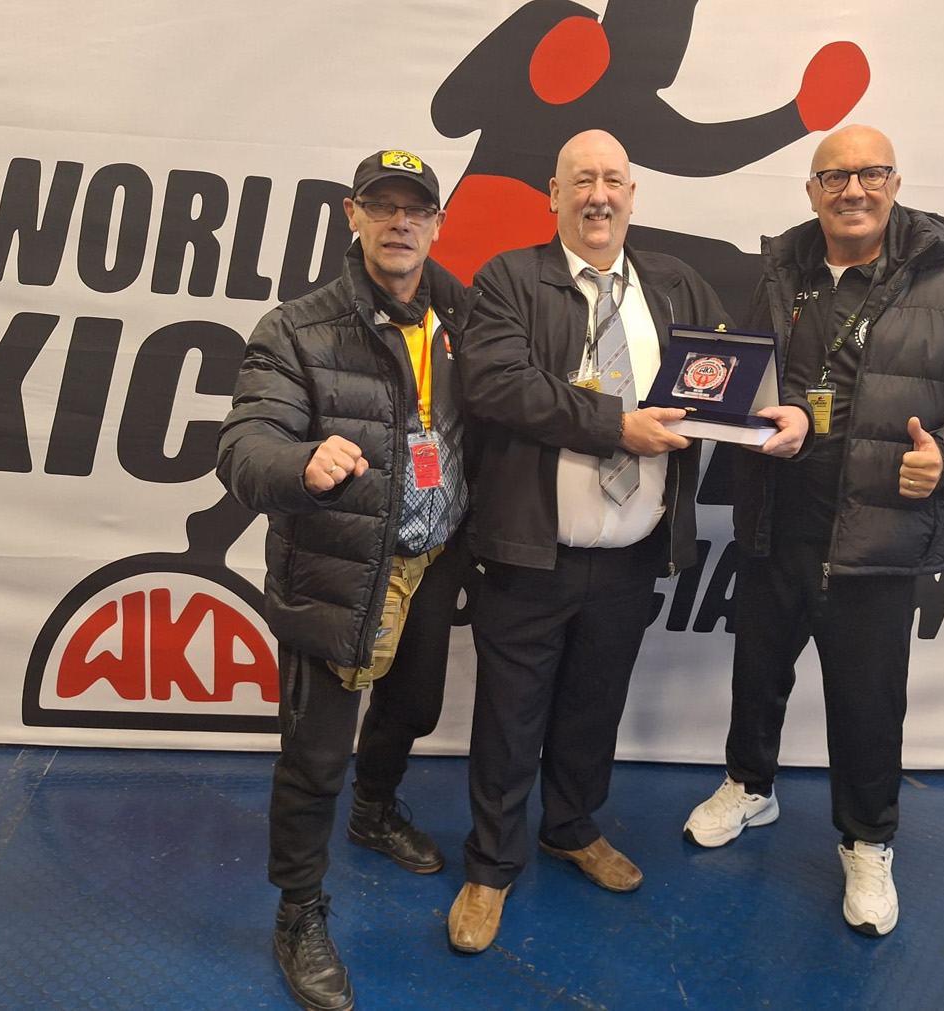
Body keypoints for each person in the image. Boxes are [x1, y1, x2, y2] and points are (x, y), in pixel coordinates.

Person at [448, 128, 809, 954]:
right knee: (509, 718)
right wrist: (618, 425)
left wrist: (779, 412)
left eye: (613, 180)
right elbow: (497, 383)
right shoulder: (509, 278)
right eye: (582, 180)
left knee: (593, 705)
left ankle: (570, 827)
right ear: (554, 194)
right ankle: (491, 865)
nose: (599, 195)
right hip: (529, 552)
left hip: (632, 551)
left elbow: (727, 375)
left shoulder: (673, 284)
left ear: (633, 195)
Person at [683, 125, 944, 938]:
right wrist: (755, 416)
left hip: (878, 535)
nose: (852, 190)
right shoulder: (782, 271)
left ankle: (868, 840)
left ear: (895, 182)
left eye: (870, 173)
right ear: (812, 191)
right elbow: (760, 381)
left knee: (868, 702)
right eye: (834, 177)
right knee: (757, 674)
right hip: (776, 520)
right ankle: (750, 784)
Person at [217, 150, 474, 1011]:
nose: (400, 222)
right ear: (351, 213)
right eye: (382, 205)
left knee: (414, 708)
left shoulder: (464, 314)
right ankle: (298, 909)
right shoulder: (298, 328)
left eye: (416, 208)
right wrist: (300, 463)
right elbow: (245, 443)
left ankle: (375, 810)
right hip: (340, 568)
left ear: (437, 223)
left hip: (432, 556)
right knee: (315, 755)